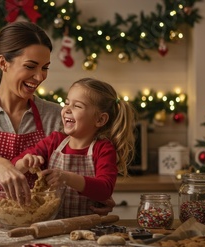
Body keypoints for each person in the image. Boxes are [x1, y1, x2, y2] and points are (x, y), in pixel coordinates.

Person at [0, 22, 116, 220]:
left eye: (45, 68)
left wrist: (96, 197)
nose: (39, 76)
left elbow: (74, 166)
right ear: (3, 63)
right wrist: (2, 165)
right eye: (30, 66)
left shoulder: (55, 114)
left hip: (36, 223)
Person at [12, 78, 137, 218]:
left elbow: (105, 190)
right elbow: (14, 165)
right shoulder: (54, 142)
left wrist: (67, 178)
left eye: (77, 106)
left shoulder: (103, 149)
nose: (67, 109)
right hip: (51, 224)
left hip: (87, 227)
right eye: (66, 103)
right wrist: (25, 162)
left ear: (100, 120)